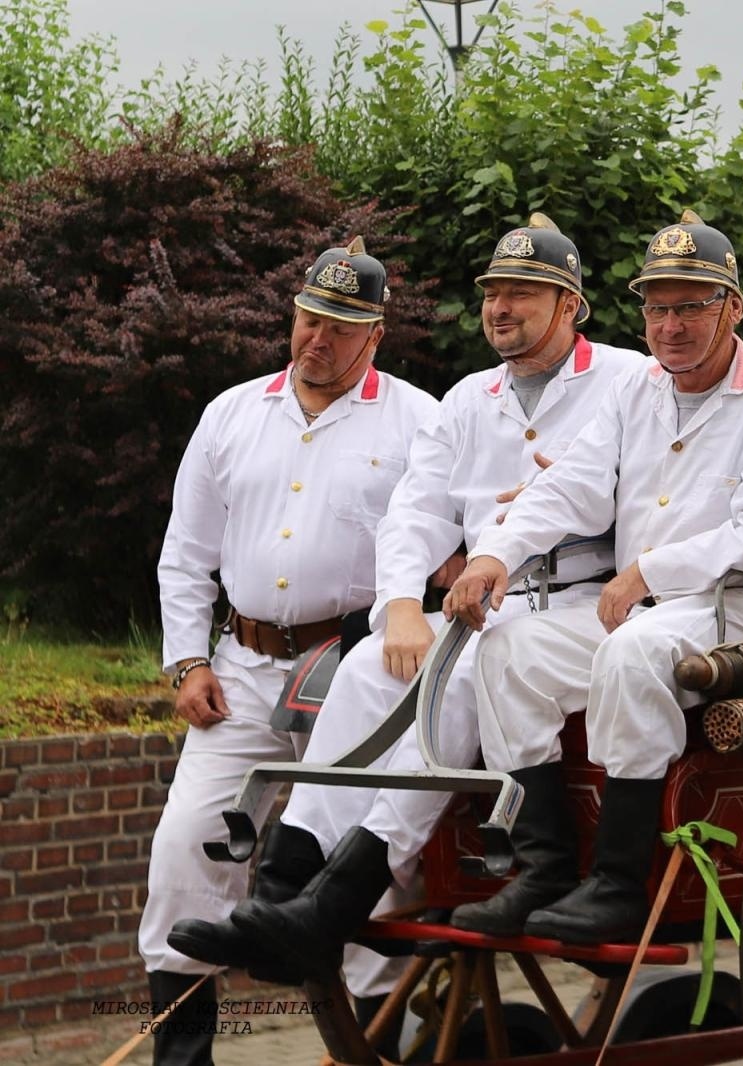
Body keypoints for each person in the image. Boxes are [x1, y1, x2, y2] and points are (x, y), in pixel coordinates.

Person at [223, 211, 743, 952]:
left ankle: (615, 883)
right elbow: (567, 487)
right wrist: (493, 558)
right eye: (659, 307)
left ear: (732, 308)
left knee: (626, 656)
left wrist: (648, 569)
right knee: (511, 654)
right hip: (646, 611)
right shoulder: (636, 391)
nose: (670, 325)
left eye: (691, 306)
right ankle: (540, 867)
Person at [167, 216, 642, 979]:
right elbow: (416, 511)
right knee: (363, 673)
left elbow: (659, 489)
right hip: (482, 607)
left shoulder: (629, 380)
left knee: (452, 690)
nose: (501, 308)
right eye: (494, 293)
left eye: (524, 293)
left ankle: (341, 900)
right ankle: (287, 883)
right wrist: (395, 605)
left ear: (570, 305)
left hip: (584, 602)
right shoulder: (466, 398)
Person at [146, 237, 438, 1064]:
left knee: (376, 866)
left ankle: (377, 1045)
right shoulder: (231, 413)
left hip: (359, 671)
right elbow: (185, 552)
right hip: (236, 673)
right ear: (294, 312)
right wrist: (186, 660)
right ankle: (183, 1055)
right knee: (185, 848)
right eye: (312, 317)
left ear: (375, 335)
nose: (320, 337)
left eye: (343, 326)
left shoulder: (421, 420)